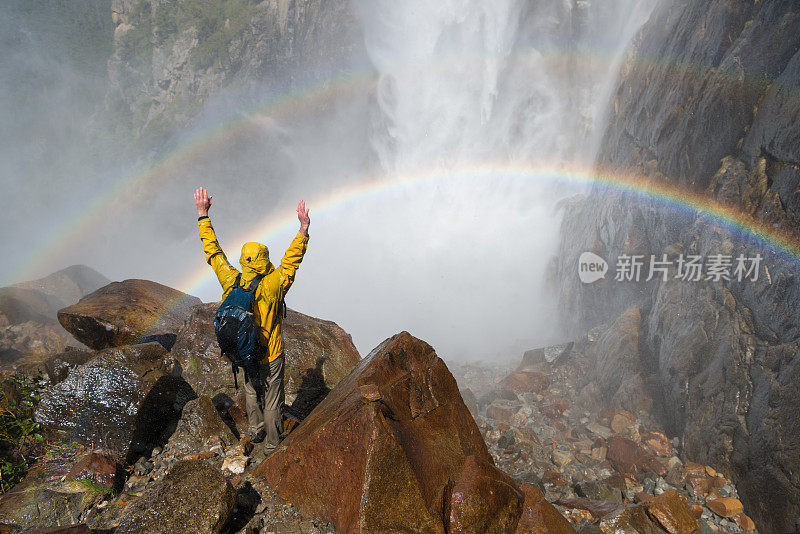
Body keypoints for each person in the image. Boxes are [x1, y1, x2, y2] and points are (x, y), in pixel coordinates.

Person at [193, 187, 310, 451]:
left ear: (245, 260)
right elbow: (291, 261)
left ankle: (255, 431)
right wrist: (303, 229)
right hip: (270, 353)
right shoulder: (273, 284)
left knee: (250, 389)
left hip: (244, 352)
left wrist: (203, 215)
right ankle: (271, 445)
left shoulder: (231, 280)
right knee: (272, 399)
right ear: (265, 259)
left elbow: (214, 253)